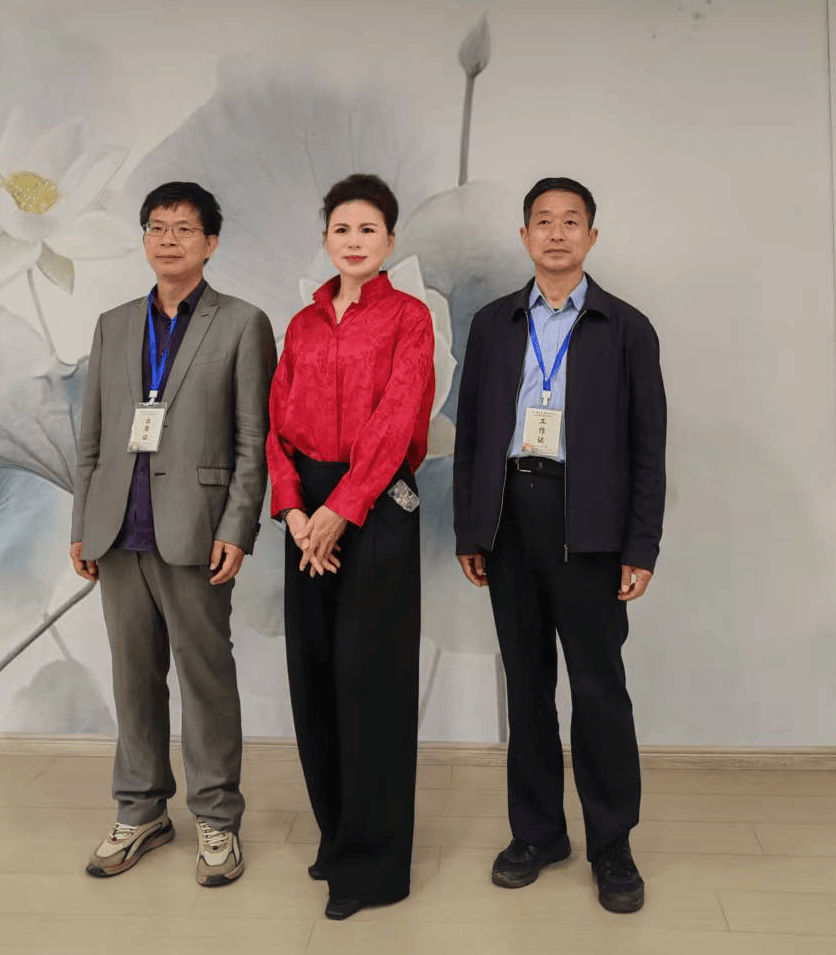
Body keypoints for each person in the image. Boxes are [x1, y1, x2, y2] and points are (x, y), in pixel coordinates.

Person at [452, 177, 666, 914]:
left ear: (591, 237)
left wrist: (640, 545)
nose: (556, 233)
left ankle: (613, 844)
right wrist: (471, 527)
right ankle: (538, 834)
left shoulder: (626, 327)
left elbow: (649, 448)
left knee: (599, 691)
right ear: (524, 237)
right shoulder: (493, 323)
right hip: (510, 517)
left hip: (591, 527)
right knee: (528, 686)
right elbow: (473, 433)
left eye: (571, 221)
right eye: (542, 221)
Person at [70, 181, 276, 887]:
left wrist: (238, 527)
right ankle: (140, 809)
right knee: (133, 679)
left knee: (205, 678)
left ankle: (216, 818)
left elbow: (253, 440)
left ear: (210, 242)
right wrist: (82, 523)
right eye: (156, 227)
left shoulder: (242, 323)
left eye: (183, 228)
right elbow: (92, 436)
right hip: (117, 530)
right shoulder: (113, 324)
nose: (167, 240)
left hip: (196, 530)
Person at [267, 173, 435, 920]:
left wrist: (342, 508)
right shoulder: (302, 325)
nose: (355, 240)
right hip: (306, 513)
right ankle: (337, 837)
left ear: (390, 241)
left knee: (373, 684)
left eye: (369, 229)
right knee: (314, 676)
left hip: (376, 504)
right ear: (326, 239)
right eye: (342, 229)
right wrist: (293, 510)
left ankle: (373, 867)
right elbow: (276, 423)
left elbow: (398, 419)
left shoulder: (409, 318)